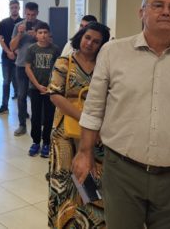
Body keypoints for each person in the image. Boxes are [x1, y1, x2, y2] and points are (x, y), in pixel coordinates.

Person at [73, 0, 170, 228]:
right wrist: (85, 152)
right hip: (122, 172)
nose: (166, 11)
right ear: (142, 12)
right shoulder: (112, 52)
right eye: (158, 5)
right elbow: (94, 109)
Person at [47, 22, 110, 228]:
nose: (90, 43)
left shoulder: (105, 66)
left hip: (96, 134)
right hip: (65, 133)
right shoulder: (64, 62)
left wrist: (93, 124)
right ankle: (65, 223)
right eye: (87, 37)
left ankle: (89, 223)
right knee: (65, 181)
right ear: (80, 36)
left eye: (96, 41)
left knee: (91, 179)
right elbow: (55, 95)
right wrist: (85, 119)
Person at [25, 22, 60, 158]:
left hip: (50, 89)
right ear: (36, 34)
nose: (43, 35)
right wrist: (37, 85)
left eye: (45, 32)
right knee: (36, 116)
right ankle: (35, 142)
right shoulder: (31, 49)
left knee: (49, 116)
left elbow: (58, 69)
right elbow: (28, 68)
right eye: (40, 32)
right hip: (35, 88)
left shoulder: (55, 49)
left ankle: (46, 142)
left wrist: (51, 86)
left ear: (49, 34)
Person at [10, 1, 45, 136]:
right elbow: (12, 47)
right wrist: (20, 34)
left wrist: (37, 36)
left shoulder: (42, 26)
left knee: (37, 96)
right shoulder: (18, 26)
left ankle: (38, 124)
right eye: (28, 14)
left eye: (33, 15)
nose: (30, 18)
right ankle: (22, 125)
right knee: (21, 96)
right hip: (21, 66)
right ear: (24, 12)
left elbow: (49, 43)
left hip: (38, 67)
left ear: (37, 13)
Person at [0, 0, 22, 115]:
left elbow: (24, 40)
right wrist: (8, 52)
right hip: (6, 57)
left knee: (19, 83)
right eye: (12, 7)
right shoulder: (3, 22)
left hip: (19, 58)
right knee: (6, 81)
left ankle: (22, 109)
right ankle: (4, 106)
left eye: (16, 7)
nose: (14, 9)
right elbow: (0, 39)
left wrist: (16, 52)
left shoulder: (23, 23)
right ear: (9, 8)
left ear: (19, 8)